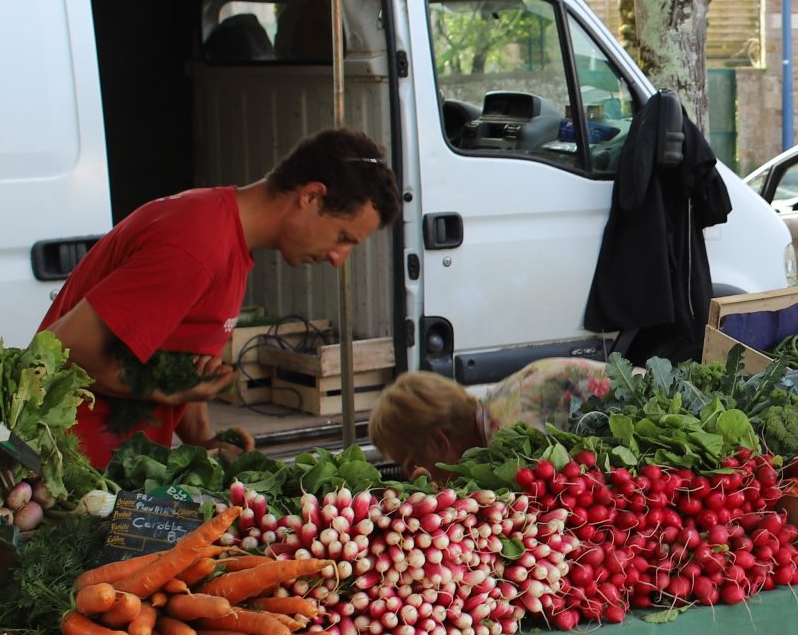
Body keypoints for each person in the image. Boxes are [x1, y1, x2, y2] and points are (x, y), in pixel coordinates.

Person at [44, 130, 400, 467]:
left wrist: (203, 439)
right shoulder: (197, 244)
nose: (338, 258)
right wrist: (166, 390)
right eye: (343, 237)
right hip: (68, 466)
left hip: (120, 469)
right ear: (311, 197)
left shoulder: (228, 238)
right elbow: (65, 347)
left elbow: (183, 355)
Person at [371, 360, 612, 475]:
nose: (417, 475)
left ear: (438, 441)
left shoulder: (513, 439)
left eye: (412, 463)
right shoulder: (495, 405)